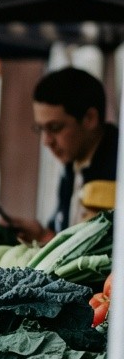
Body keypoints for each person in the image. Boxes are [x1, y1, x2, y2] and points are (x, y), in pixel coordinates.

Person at [14, 67, 119, 242]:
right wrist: (41, 235)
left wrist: (46, 237)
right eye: (40, 129)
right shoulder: (71, 165)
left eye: (55, 128)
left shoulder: (118, 167)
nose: (46, 141)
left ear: (90, 118)